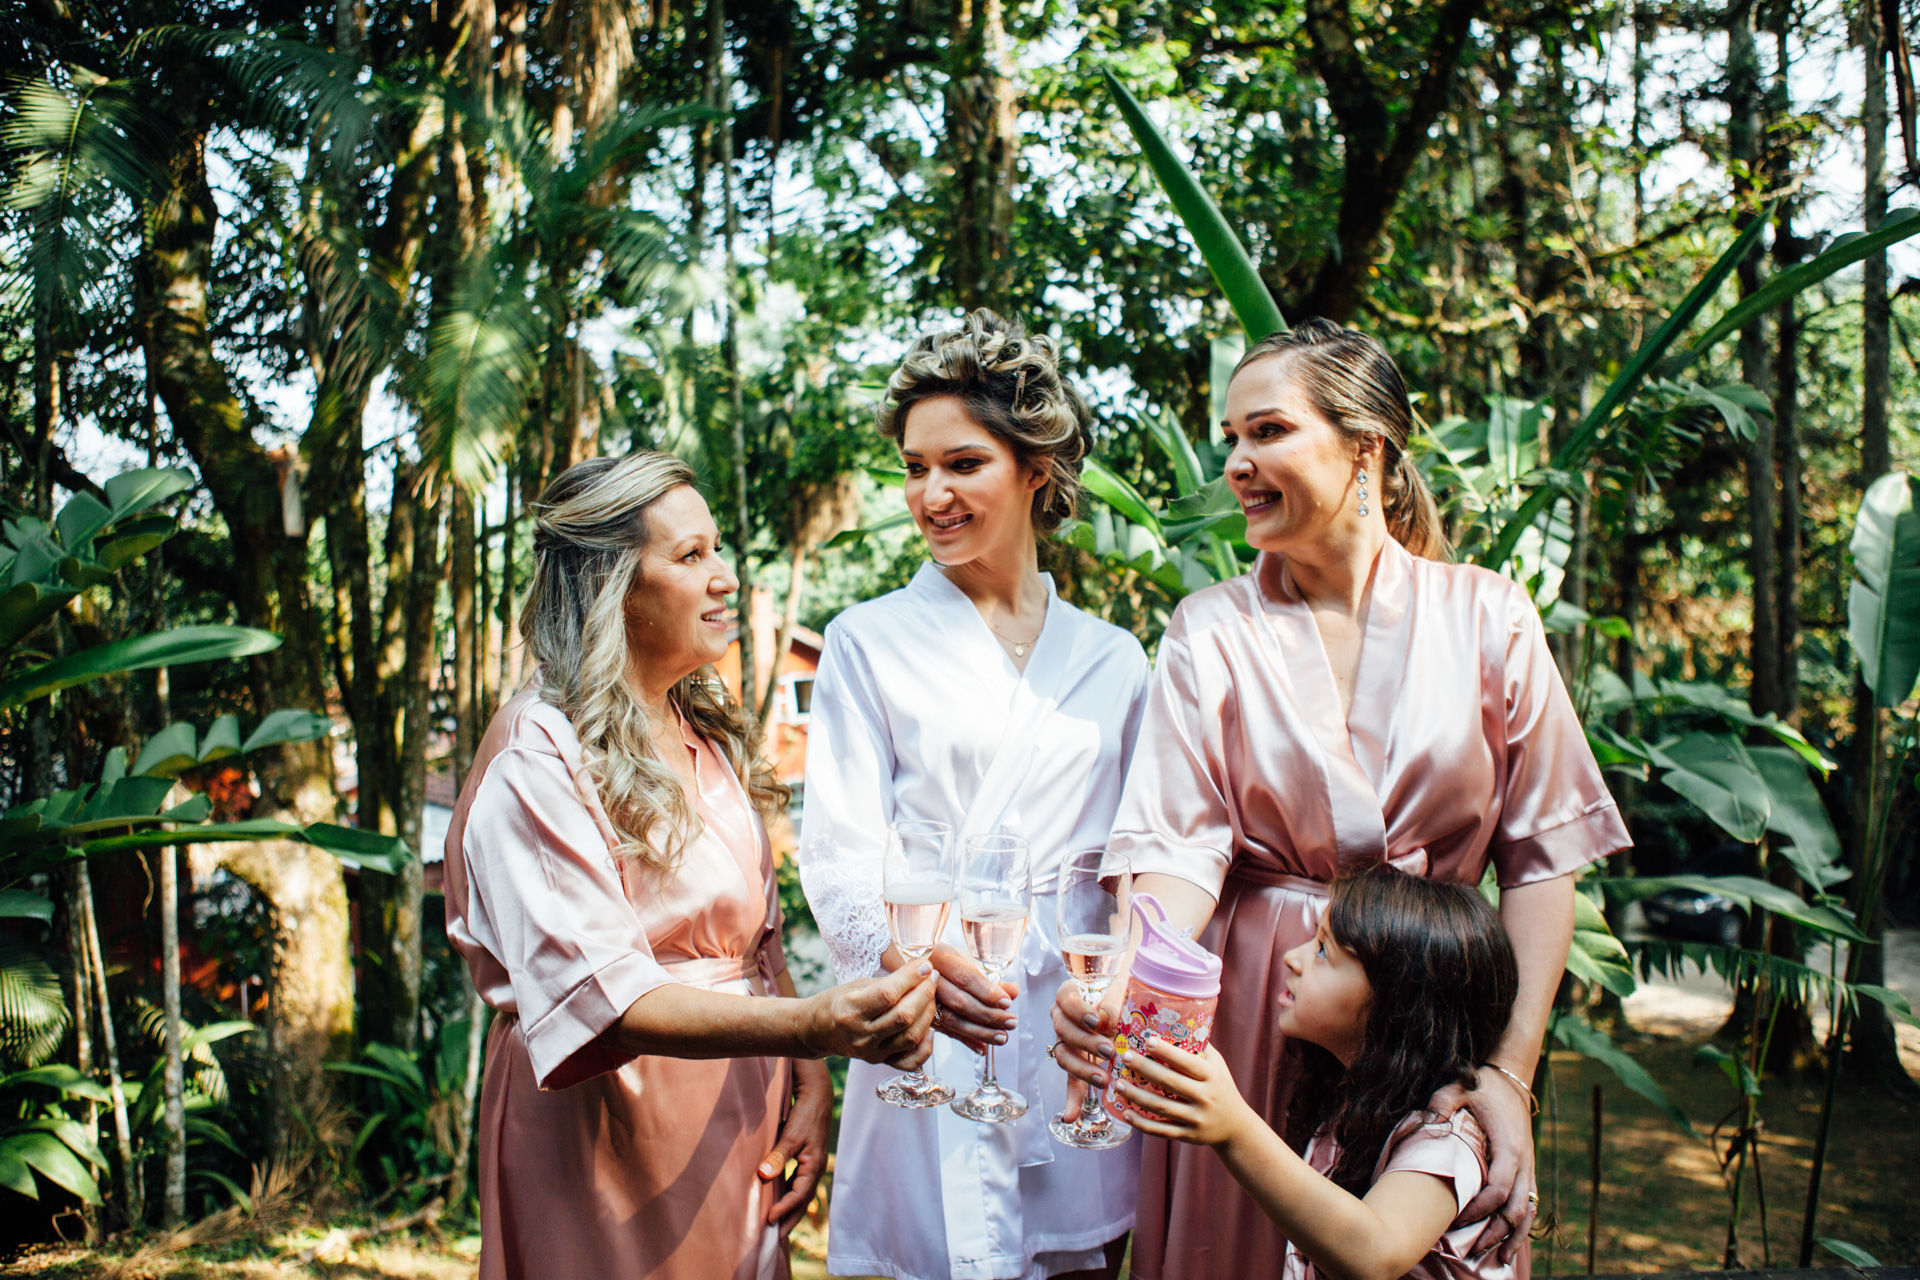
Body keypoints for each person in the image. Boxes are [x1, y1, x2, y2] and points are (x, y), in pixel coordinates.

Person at [1050, 318, 1630, 1279]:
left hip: (1430, 1027)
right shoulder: (1210, 630)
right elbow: (1179, 850)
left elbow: (1541, 859)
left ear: (1366, 444)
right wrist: (1129, 987)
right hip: (1261, 1016)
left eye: (1267, 431)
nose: (1236, 461)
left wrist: (1507, 1075)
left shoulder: (1490, 616)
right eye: (1231, 438)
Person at [443, 451, 940, 1280]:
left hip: (736, 1123)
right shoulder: (539, 749)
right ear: (616, 589)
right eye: (690, 556)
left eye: (718, 549)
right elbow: (603, 995)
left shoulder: (704, 731)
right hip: (607, 1129)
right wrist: (812, 1025)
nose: (726, 577)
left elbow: (757, 944)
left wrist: (806, 1077)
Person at [799, 309, 1150, 1280]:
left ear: (1035, 466)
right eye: (915, 467)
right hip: (926, 1017)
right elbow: (835, 850)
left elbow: (1139, 865)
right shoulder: (866, 640)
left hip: (1070, 1037)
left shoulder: (1116, 660)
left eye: (961, 463)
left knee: (1074, 1252)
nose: (930, 492)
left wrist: (1115, 984)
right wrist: (920, 962)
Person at [1114, 867, 1523, 1280]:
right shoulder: (1345, 1110)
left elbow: (1375, 1254)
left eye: (1323, 950)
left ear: (1399, 1001)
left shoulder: (1446, 1137)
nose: (1293, 957)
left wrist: (1233, 1129)